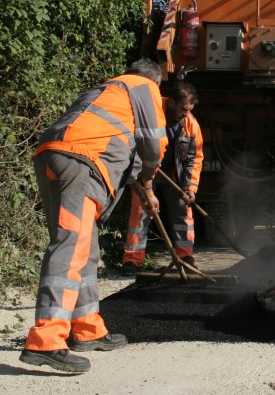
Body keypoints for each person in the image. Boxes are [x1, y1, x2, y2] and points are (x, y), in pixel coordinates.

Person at [19, 59, 167, 373]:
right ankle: (46, 340)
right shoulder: (145, 87)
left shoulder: (109, 90)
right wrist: (149, 180)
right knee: (71, 245)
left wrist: (141, 185)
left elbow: (122, 147)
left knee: (84, 247)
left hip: (54, 154)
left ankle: (87, 329)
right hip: (80, 162)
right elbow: (153, 145)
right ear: (155, 80)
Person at [120, 82, 204, 275]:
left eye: (190, 109)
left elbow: (194, 158)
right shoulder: (152, 112)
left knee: (184, 211)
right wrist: (140, 176)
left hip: (173, 174)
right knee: (140, 212)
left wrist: (190, 188)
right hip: (145, 172)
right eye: (183, 109)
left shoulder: (190, 124)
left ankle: (186, 257)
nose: (186, 113)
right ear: (172, 102)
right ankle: (132, 260)